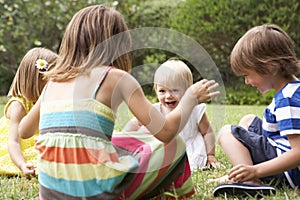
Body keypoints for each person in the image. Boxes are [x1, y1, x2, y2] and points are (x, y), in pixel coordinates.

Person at [18, 5, 219, 200]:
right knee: (175, 144)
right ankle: (174, 193)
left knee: (117, 139)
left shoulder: (53, 81)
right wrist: (191, 97)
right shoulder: (116, 78)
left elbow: (24, 131)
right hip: (97, 192)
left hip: (51, 193)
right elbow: (165, 132)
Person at [213, 24, 300, 197]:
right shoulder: (292, 88)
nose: (246, 82)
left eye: (247, 75)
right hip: (280, 149)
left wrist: (255, 171)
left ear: (268, 67)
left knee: (226, 133)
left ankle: (250, 182)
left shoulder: (287, 99)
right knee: (248, 120)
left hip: (289, 172)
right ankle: (240, 172)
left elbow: (298, 152)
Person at [120, 58, 222, 172]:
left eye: (174, 90)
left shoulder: (195, 110)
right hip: (164, 152)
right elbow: (135, 123)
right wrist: (124, 137)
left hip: (190, 150)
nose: (168, 96)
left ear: (188, 91)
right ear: (156, 90)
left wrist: (210, 155)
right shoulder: (155, 110)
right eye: (162, 91)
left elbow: (207, 132)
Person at [0, 47, 57, 178]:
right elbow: (13, 142)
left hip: (35, 143)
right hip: (15, 149)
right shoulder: (18, 106)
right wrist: (22, 165)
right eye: (53, 79)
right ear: (38, 79)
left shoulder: (48, 101)